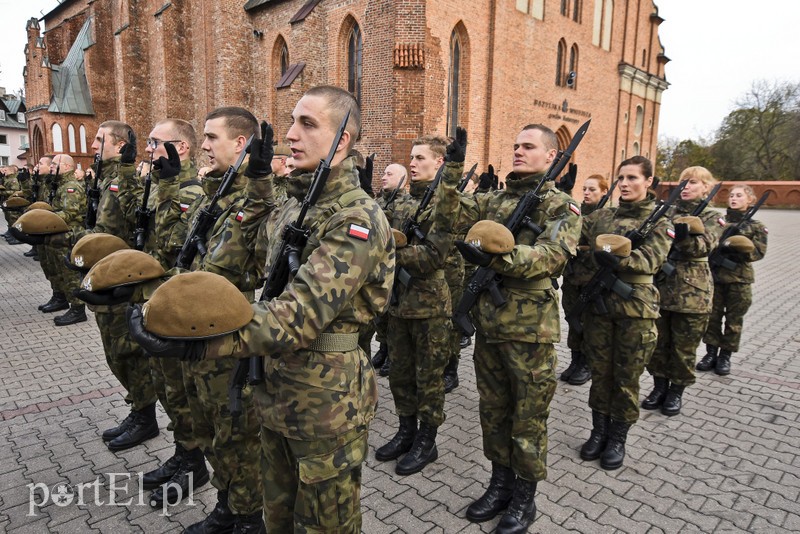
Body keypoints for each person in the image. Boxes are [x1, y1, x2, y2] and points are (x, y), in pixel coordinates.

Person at [130, 85, 393, 533]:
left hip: (325, 404)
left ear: (342, 140)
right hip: (275, 390)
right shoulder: (296, 204)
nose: (291, 134)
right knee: (278, 520)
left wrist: (201, 339)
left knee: (323, 526)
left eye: (308, 124)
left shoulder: (356, 220)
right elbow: (240, 250)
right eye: (292, 121)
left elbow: (297, 315)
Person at [443, 124, 581, 532]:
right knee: (494, 412)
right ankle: (499, 485)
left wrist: (499, 256)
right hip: (490, 326)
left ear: (551, 156)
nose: (518, 152)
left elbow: (552, 256)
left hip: (530, 333)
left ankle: (525, 498)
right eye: (515, 145)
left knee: (528, 418)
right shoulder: (495, 198)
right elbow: (449, 213)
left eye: (528, 147)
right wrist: (452, 169)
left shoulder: (561, 206)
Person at [577, 156, 672, 471]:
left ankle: (618, 437)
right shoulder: (602, 217)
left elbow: (650, 261)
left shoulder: (661, 220)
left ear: (648, 181)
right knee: (601, 372)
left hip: (636, 308)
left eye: (633, 178)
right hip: (601, 307)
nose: (626, 184)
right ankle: (598, 431)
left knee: (626, 377)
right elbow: (574, 237)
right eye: (621, 178)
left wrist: (608, 255)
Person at [377, 134, 458, 476]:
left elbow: (435, 256)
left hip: (429, 308)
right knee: (400, 373)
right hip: (399, 305)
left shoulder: (447, 205)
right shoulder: (404, 203)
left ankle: (427, 439)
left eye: (420, 158)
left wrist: (391, 254)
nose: (412, 162)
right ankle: (405, 430)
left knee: (429, 377)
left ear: (439, 163)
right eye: (411, 157)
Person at [138, 119, 208, 508]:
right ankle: (184, 453)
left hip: (178, 309)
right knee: (166, 387)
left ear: (179, 148)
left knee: (182, 392)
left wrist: (165, 187)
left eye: (155, 142)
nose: (148, 148)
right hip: (157, 301)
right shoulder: (162, 186)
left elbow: (170, 242)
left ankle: (194, 463)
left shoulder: (190, 191)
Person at [85, 120, 160, 453]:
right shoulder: (108, 178)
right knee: (114, 352)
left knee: (127, 352)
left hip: (124, 278)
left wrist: (128, 173)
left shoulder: (128, 180)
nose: (92, 145)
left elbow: (129, 221)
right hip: (107, 275)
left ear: (118, 145)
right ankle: (137, 409)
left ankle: (145, 417)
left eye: (100, 140)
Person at [643, 166, 721, 417]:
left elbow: (703, 247)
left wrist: (681, 232)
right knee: (658, 344)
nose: (686, 187)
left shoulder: (713, 216)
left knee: (684, 348)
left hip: (693, 293)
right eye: (683, 182)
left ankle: (676, 391)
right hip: (662, 287)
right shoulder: (668, 211)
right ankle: (659, 387)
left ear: (706, 188)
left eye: (694, 183)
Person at [700, 184, 768, 375]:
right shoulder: (719, 221)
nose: (734, 198)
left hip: (739, 280)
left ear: (750, 200)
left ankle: (725, 356)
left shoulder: (756, 226)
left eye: (739, 195)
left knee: (733, 320)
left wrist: (738, 247)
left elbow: (758, 253)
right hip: (715, 277)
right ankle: (710, 353)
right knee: (712, 318)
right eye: (731, 195)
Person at [560, 174, 610, 385]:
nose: (587, 193)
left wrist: (582, 248)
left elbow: (604, 246)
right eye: (585, 189)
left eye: (593, 190)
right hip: (573, 277)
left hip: (592, 278)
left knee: (589, 322)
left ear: (604, 192)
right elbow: (564, 232)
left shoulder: (606, 216)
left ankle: (587, 364)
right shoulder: (576, 211)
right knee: (573, 319)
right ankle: (575, 359)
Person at [371, 163, 408, 375]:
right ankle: (383, 347)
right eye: (383, 172)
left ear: (403, 179)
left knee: (393, 314)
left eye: (389, 174)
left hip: (395, 265)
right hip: (377, 265)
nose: (384, 176)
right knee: (380, 315)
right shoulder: (377, 201)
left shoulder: (404, 203)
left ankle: (392, 354)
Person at [42, 154, 88, 326]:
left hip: (69, 236)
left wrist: (44, 219)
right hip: (58, 235)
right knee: (57, 270)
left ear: (67, 167)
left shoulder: (71, 187)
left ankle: (78, 309)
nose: (52, 167)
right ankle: (61, 298)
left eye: (55, 164)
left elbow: (70, 213)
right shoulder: (58, 185)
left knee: (70, 274)